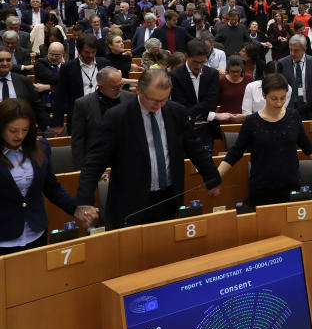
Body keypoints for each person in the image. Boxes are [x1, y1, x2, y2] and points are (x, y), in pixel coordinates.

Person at [75, 68, 222, 229]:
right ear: (138, 90)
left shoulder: (176, 112)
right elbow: (95, 161)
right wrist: (84, 201)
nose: (158, 105)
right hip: (130, 201)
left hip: (168, 197)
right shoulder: (117, 116)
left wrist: (212, 178)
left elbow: (195, 147)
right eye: (152, 100)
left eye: (163, 100)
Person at [218, 72, 312, 207]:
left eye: (283, 98)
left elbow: (308, 147)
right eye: (274, 98)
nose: (279, 103)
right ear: (264, 95)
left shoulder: (293, 116)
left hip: (291, 186)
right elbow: (235, 153)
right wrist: (216, 175)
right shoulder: (252, 122)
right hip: (262, 190)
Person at [0, 99, 90, 255]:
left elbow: (51, 187)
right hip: (4, 238)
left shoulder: (41, 147)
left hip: (36, 233)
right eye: (13, 130)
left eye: (25, 130)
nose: (19, 135)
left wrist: (75, 208)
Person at [170, 40, 233, 153]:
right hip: (184, 129)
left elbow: (211, 101)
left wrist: (192, 113)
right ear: (186, 56)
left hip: (207, 131)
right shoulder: (175, 76)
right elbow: (179, 104)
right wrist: (211, 115)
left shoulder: (212, 74)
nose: (199, 66)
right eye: (195, 62)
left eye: (202, 62)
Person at [70, 67, 134, 171]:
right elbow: (78, 139)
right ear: (100, 87)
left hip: (127, 160)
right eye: (115, 87)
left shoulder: (130, 98)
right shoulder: (83, 104)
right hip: (98, 161)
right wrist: (80, 168)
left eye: (121, 85)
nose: (120, 90)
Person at [0, 46, 50, 133]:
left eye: (8, 60)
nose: (5, 63)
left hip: (21, 132)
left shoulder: (24, 81)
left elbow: (37, 106)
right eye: (1, 60)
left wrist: (46, 128)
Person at [277, 34, 312, 115]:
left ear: (304, 49)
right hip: (288, 109)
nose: (292, 53)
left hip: (309, 108)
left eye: (296, 50)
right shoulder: (282, 63)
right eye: (291, 50)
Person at [218, 55, 252, 122]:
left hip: (244, 119)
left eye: (238, 71)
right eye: (233, 71)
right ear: (228, 69)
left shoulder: (248, 78)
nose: (236, 74)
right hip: (226, 119)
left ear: (242, 69)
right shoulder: (221, 81)